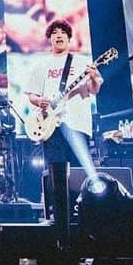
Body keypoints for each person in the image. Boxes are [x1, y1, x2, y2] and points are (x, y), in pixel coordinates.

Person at [26, 19, 102, 222]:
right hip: (52, 126)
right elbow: (32, 95)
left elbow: (94, 89)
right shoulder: (41, 65)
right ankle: (59, 216)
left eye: (62, 33)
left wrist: (93, 77)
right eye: (54, 33)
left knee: (78, 172)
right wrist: (39, 101)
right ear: (49, 38)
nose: (58, 36)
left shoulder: (81, 62)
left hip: (77, 124)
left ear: (69, 38)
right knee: (56, 171)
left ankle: (81, 215)